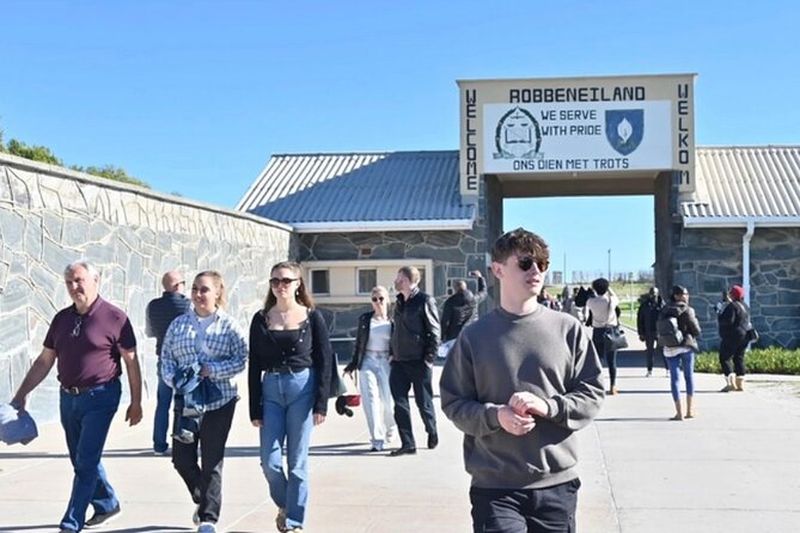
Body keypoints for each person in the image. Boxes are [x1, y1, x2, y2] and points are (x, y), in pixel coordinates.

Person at [440, 228, 604, 533]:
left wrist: (549, 407)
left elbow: (592, 392)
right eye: (526, 263)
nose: (537, 271)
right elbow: (453, 402)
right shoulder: (474, 337)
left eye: (542, 264)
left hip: (557, 484)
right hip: (494, 486)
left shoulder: (568, 329)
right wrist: (495, 416)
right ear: (498, 270)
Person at [11, 260, 143, 533]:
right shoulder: (62, 319)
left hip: (101, 395)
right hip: (67, 397)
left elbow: (131, 361)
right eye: (69, 282)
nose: (74, 287)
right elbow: (45, 360)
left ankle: (71, 523)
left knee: (85, 461)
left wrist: (136, 401)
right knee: (81, 458)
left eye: (79, 280)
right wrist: (22, 393)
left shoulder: (115, 317)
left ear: (96, 281)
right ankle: (107, 502)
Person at [248, 261, 333, 533]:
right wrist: (254, 408)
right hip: (271, 388)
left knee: (297, 462)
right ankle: (286, 505)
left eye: (286, 280)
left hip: (303, 387)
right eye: (275, 281)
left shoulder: (312, 317)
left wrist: (322, 403)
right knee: (270, 461)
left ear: (298, 284)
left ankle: (294, 522)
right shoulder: (261, 319)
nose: (280, 286)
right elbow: (254, 366)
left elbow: (324, 361)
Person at [161, 270, 247, 533]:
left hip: (220, 400)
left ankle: (209, 517)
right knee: (181, 458)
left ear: (218, 292)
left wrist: (213, 370)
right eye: (195, 289)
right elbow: (166, 358)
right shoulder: (178, 325)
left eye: (205, 289)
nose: (198, 294)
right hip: (187, 399)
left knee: (212, 458)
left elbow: (241, 359)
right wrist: (175, 380)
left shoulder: (229, 325)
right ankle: (202, 496)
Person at [389, 265, 441, 456]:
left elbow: (435, 331)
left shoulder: (424, 300)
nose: (397, 281)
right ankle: (408, 443)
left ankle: (431, 430)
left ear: (411, 281)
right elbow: (395, 330)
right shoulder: (399, 302)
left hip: (419, 361)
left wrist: (429, 359)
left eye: (400, 278)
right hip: (399, 361)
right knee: (400, 403)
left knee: (423, 402)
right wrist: (391, 352)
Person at [344, 286, 397, 451]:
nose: (378, 302)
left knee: (388, 400)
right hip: (368, 360)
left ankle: (391, 427)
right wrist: (353, 364)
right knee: (371, 400)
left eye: (381, 298)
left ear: (387, 299)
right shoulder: (365, 319)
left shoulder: (394, 320)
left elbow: (401, 342)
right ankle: (377, 439)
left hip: (386, 361)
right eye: (374, 299)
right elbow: (359, 343)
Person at [145, 270, 191, 455]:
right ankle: (181, 438)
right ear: (178, 285)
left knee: (162, 402)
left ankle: (159, 444)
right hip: (185, 359)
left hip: (163, 359)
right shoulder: (188, 306)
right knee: (184, 401)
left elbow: (150, 332)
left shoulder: (153, 306)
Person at [659, 285, 701, 420]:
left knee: (674, 380)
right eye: (684, 294)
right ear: (676, 296)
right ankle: (689, 410)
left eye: (687, 294)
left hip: (670, 348)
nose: (686, 296)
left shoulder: (664, 309)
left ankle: (679, 412)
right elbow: (696, 330)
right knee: (689, 377)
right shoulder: (688, 310)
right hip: (686, 346)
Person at [585, 278, 622, 394]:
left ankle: (598, 385)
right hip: (611, 331)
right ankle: (613, 386)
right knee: (612, 361)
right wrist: (609, 289)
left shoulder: (591, 302)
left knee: (598, 360)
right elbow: (616, 297)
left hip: (597, 331)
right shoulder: (611, 300)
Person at [718, 285, 751, 392]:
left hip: (732, 336)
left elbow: (728, 321)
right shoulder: (745, 306)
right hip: (745, 336)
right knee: (739, 358)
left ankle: (730, 383)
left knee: (725, 357)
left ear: (733, 295)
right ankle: (740, 383)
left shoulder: (732, 307)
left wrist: (720, 313)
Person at [441, 270, 487, 343]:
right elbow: (484, 292)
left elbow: (445, 322)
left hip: (454, 336)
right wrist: (480, 278)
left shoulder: (450, 302)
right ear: (466, 287)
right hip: (470, 334)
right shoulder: (473, 299)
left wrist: (441, 337)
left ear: (455, 289)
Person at [636, 286, 665, 376]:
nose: (653, 295)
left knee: (664, 351)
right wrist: (641, 333)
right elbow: (640, 319)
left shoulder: (663, 305)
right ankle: (649, 370)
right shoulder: (644, 306)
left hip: (661, 331)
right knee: (649, 352)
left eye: (655, 293)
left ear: (658, 294)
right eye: (652, 293)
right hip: (649, 331)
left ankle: (668, 369)